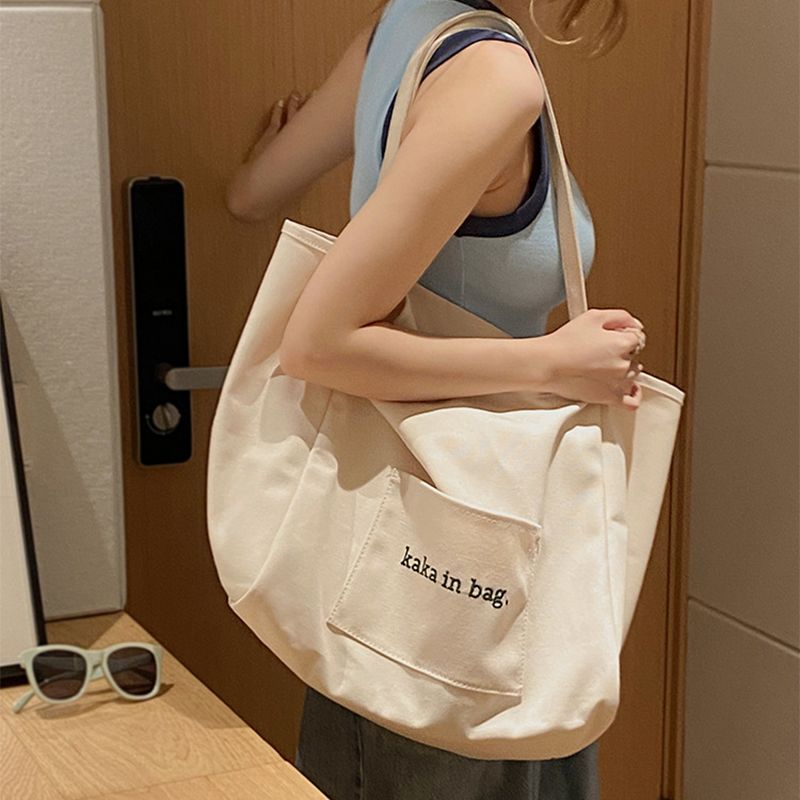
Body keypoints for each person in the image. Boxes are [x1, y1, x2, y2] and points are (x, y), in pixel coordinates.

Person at [226, 1, 645, 796]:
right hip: (454, 552)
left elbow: (250, 195)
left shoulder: (400, 26)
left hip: (396, 539)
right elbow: (319, 344)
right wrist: (549, 362)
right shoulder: (496, 79)